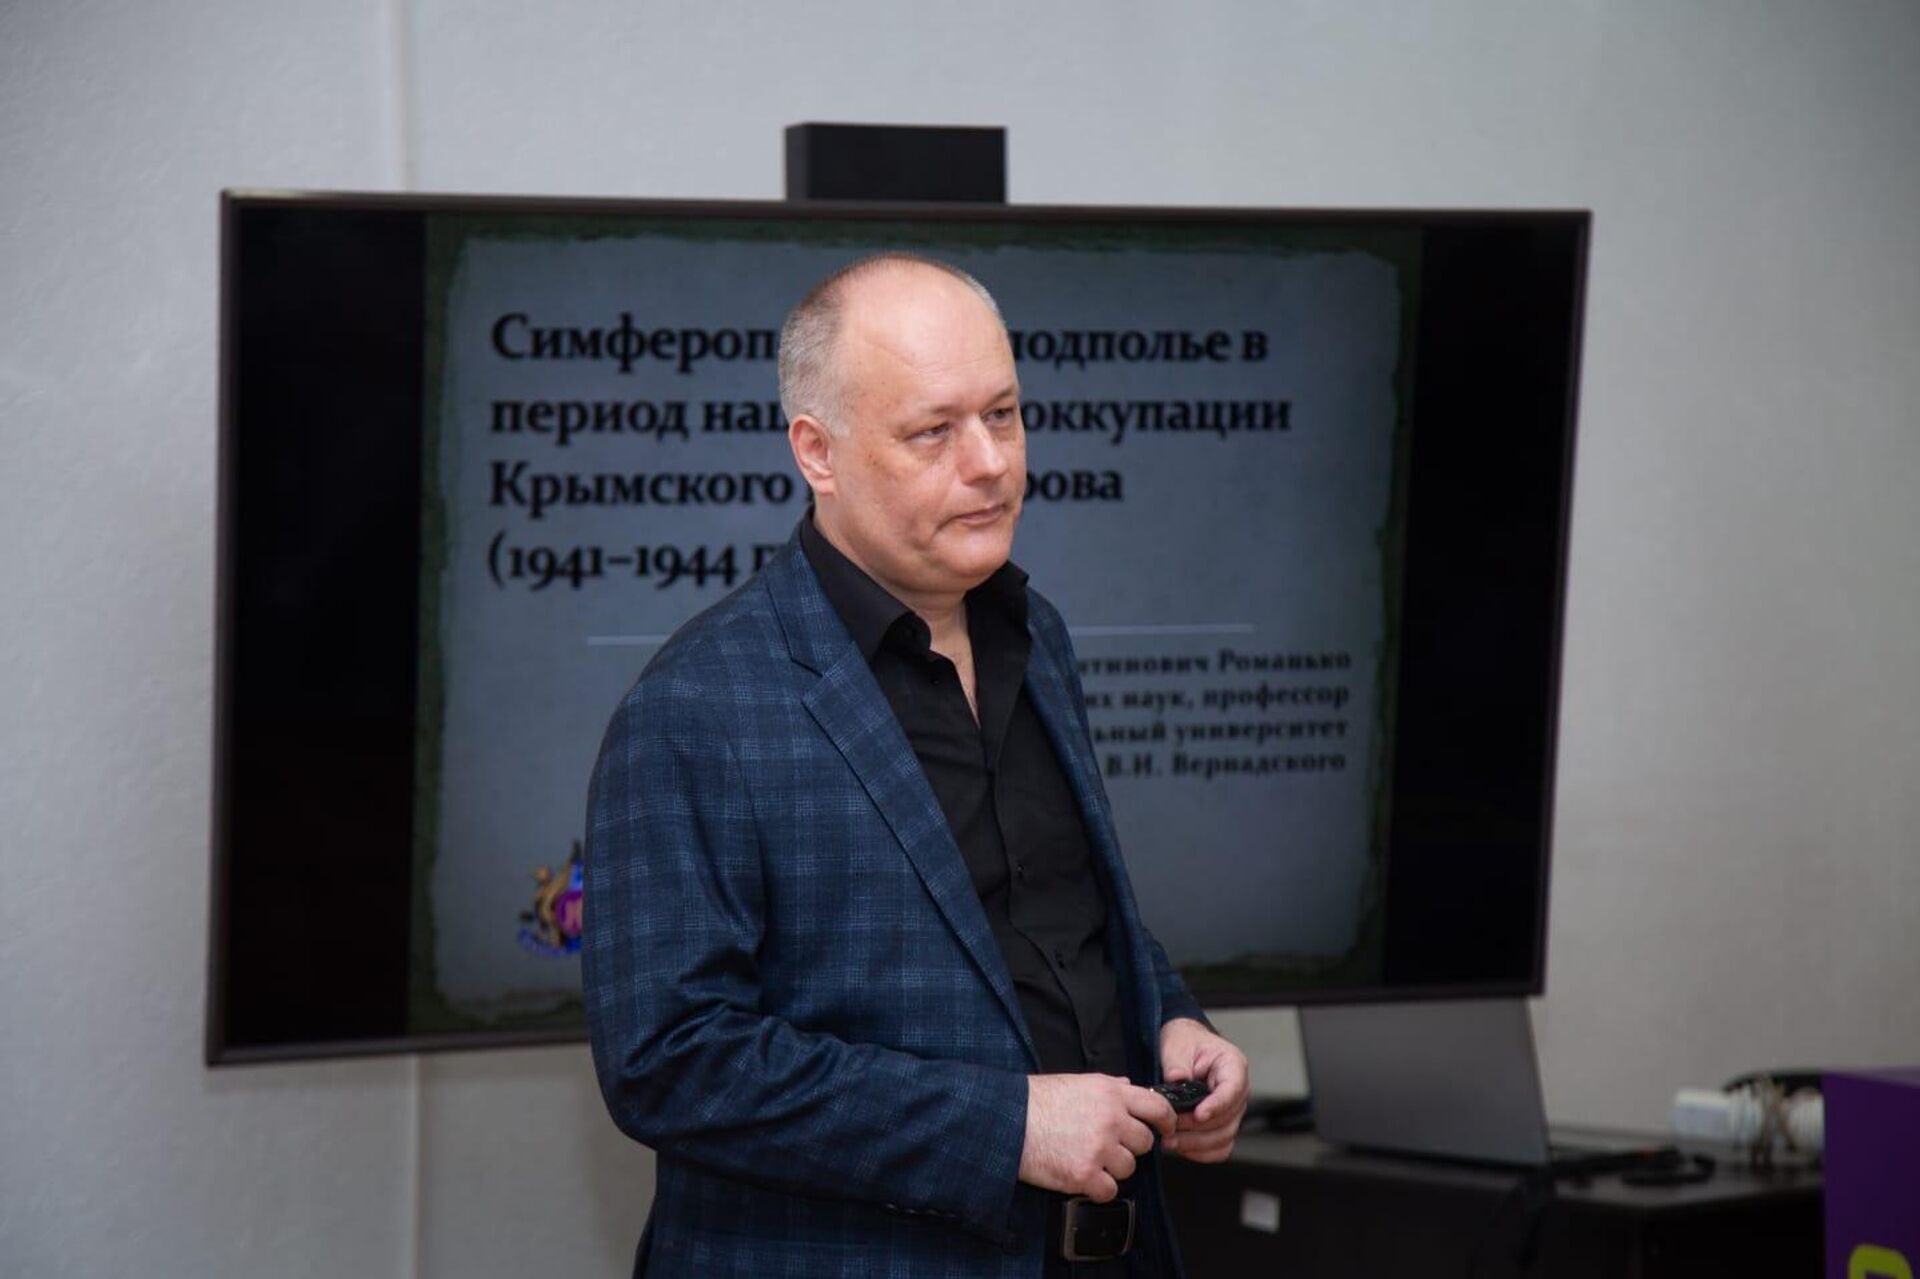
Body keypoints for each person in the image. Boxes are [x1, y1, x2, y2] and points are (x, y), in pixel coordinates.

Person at [583, 253, 1249, 1278]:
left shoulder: (1037, 635)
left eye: (1004, 415)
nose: (989, 463)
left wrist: (1169, 1016)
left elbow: (1048, 915)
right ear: (819, 452)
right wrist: (1006, 1127)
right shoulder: (695, 708)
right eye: (933, 431)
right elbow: (668, 1061)